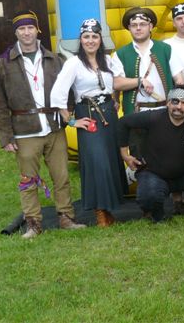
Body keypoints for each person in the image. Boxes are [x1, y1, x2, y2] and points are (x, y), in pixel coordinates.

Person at [0, 10, 85, 239]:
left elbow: (69, 91)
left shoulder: (54, 60)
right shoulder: (3, 64)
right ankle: (33, 222)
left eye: (30, 28)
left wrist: (67, 114)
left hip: (54, 128)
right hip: (25, 130)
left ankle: (66, 216)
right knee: (28, 180)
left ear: (37, 30)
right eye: (22, 29)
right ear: (16, 33)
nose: (26, 33)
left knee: (61, 176)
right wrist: (6, 137)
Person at [51, 19, 128, 227]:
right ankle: (100, 212)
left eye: (94, 36)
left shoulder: (108, 61)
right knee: (97, 162)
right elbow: (57, 94)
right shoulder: (74, 63)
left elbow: (118, 82)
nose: (90, 40)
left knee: (110, 160)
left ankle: (109, 209)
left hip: (109, 115)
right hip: (88, 115)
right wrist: (71, 121)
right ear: (81, 39)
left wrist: (116, 99)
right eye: (86, 37)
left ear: (100, 39)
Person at [117, 85, 184, 222]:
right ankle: (157, 214)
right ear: (168, 103)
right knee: (148, 197)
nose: (179, 106)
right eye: (175, 101)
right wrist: (125, 155)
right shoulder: (153, 117)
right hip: (155, 174)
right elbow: (123, 122)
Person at [111, 6, 184, 159]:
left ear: (150, 26)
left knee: (169, 155)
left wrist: (178, 105)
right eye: (134, 25)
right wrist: (140, 81)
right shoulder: (120, 54)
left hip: (164, 111)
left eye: (142, 24)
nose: (138, 28)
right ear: (129, 28)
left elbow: (179, 80)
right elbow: (117, 83)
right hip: (136, 114)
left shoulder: (166, 49)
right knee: (140, 158)